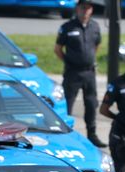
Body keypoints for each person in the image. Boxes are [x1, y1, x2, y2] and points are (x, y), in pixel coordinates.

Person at [54, 0, 105, 148]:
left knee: (91, 104)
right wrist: (69, 62)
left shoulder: (95, 26)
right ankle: (66, 134)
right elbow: (58, 49)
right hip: (72, 73)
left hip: (89, 72)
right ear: (77, 9)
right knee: (68, 103)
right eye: (83, 7)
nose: (85, 10)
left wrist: (89, 59)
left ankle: (92, 134)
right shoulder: (67, 27)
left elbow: (96, 45)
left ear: (91, 10)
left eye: (88, 8)